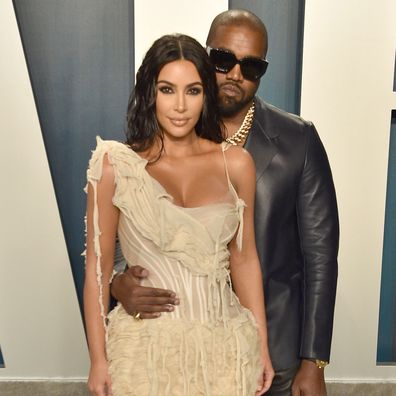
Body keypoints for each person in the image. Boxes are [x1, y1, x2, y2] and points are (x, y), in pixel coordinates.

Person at [111, 9, 339, 396]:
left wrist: (313, 361)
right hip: (179, 341)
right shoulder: (163, 133)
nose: (235, 74)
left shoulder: (299, 140)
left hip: (273, 350)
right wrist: (120, 282)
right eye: (223, 59)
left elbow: (320, 257)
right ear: (204, 56)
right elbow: (129, 227)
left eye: (252, 66)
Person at [84, 33, 274, 396]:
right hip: (143, 352)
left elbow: (245, 259)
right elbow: (97, 270)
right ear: (149, 93)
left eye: (193, 91)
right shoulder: (113, 166)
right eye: (168, 89)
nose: (180, 106)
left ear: (206, 96)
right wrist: (98, 360)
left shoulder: (235, 164)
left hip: (227, 349)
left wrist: (261, 347)